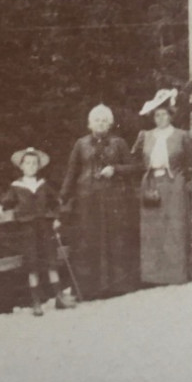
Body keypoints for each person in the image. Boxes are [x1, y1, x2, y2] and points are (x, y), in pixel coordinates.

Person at [59, 104, 140, 300]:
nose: (100, 123)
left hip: (114, 200)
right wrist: (63, 198)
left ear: (110, 123)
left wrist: (115, 169)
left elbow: (133, 167)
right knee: (88, 241)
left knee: (115, 240)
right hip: (87, 200)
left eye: (104, 120)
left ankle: (117, 286)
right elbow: (72, 172)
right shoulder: (81, 144)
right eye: (97, 120)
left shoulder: (118, 143)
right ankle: (90, 289)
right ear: (90, 123)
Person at [0, 146, 71, 316]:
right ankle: (36, 303)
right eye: (27, 163)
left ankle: (59, 297)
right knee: (32, 263)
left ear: (39, 166)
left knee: (51, 261)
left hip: (45, 227)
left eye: (34, 163)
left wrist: (57, 218)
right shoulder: (16, 187)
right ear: (21, 166)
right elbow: (7, 200)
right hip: (28, 229)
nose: (31, 166)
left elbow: (57, 201)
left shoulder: (43, 185)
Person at [132, 88, 192, 286]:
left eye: (164, 114)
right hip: (152, 184)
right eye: (157, 115)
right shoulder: (145, 136)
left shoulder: (182, 136)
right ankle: (153, 276)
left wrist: (181, 178)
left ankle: (176, 273)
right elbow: (135, 159)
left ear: (171, 116)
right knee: (153, 230)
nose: (160, 118)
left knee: (174, 228)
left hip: (174, 185)